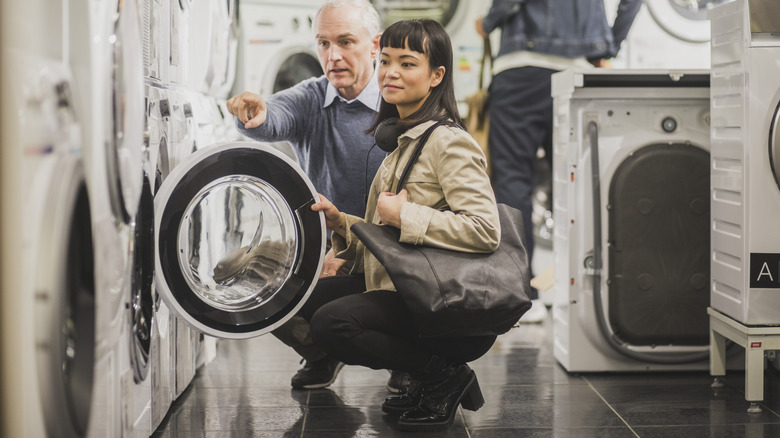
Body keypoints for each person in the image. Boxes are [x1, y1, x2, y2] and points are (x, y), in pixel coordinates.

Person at [308, 19, 499, 432]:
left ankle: (439, 374)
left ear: (436, 76)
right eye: (385, 61)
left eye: (407, 63)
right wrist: (342, 223)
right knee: (307, 297)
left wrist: (404, 215)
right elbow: (389, 239)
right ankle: (427, 377)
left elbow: (485, 229)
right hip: (408, 287)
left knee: (331, 322)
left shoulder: (448, 142)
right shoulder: (402, 142)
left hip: (446, 303)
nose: (390, 72)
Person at [225, 0, 394, 391]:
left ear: (375, 44)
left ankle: (404, 362)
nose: (332, 56)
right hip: (325, 246)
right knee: (239, 274)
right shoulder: (313, 97)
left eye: (345, 42)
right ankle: (321, 351)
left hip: (389, 247)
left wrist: (352, 250)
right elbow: (274, 116)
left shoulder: (398, 98)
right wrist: (253, 113)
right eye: (322, 43)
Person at [476, 0, 642, 322]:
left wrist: (489, 21)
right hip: (579, 70)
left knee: (513, 179)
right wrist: (608, 44)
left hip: (521, 67)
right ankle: (583, 292)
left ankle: (521, 294)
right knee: (578, 182)